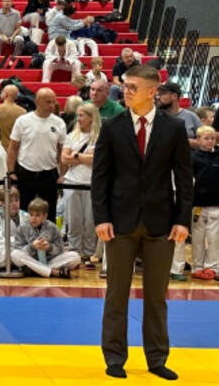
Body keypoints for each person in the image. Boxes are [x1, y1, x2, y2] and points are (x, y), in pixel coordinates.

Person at [92, 64, 193, 380]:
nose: (126, 91)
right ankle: (114, 358)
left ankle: (157, 358)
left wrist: (183, 220)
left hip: (160, 222)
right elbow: (100, 177)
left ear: (152, 91)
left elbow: (184, 178)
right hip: (119, 222)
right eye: (125, 86)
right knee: (116, 294)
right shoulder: (112, 126)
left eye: (133, 87)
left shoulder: (174, 127)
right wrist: (101, 218)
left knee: (156, 296)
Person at [7, 88, 66, 221]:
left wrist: (62, 174)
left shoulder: (59, 123)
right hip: (26, 172)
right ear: (37, 101)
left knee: (49, 214)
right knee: (24, 214)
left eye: (53, 102)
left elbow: (61, 151)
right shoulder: (23, 121)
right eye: (48, 102)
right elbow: (13, 148)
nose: (52, 105)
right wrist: (11, 172)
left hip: (49, 174)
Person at [60, 103, 100, 264]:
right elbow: (64, 158)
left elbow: (98, 160)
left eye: (82, 115)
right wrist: (85, 157)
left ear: (91, 117)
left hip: (91, 183)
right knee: (73, 219)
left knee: (90, 220)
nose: (78, 119)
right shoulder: (72, 136)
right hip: (72, 181)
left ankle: (89, 251)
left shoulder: (100, 136)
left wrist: (76, 156)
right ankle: (74, 250)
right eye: (78, 115)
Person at [11, 198, 80, 278]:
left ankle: (38, 271)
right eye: (31, 215)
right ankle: (52, 272)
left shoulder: (52, 227)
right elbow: (18, 249)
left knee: (75, 257)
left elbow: (60, 249)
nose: (33, 218)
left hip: (48, 261)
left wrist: (49, 247)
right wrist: (32, 247)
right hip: (31, 260)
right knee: (14, 254)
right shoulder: (22, 228)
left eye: (37, 215)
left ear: (45, 216)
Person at [188, 126, 219, 277]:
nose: (210, 141)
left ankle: (213, 267)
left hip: (216, 204)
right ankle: (197, 266)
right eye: (206, 138)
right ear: (198, 140)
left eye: (212, 138)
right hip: (198, 204)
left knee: (214, 237)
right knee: (198, 237)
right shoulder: (193, 158)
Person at [156, 82, 202, 147]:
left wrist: (183, 141)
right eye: (157, 94)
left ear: (174, 96)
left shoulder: (191, 116)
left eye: (162, 94)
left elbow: (205, 141)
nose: (158, 97)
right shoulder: (155, 116)